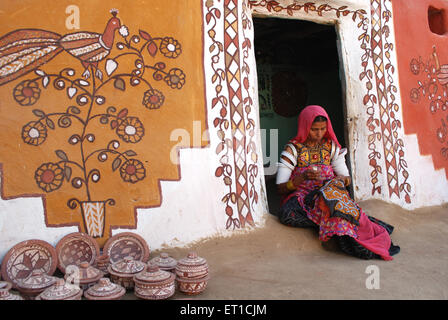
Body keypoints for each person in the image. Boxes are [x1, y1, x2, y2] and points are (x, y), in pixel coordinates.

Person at [276, 105, 400, 260]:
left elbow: (346, 179)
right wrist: (301, 179)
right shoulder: (292, 150)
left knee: (332, 203)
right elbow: (280, 189)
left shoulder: (332, 147)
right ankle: (333, 224)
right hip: (305, 200)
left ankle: (353, 239)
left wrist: (341, 180)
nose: (319, 134)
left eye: (322, 129)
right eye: (314, 129)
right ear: (305, 126)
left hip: (330, 196)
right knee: (288, 214)